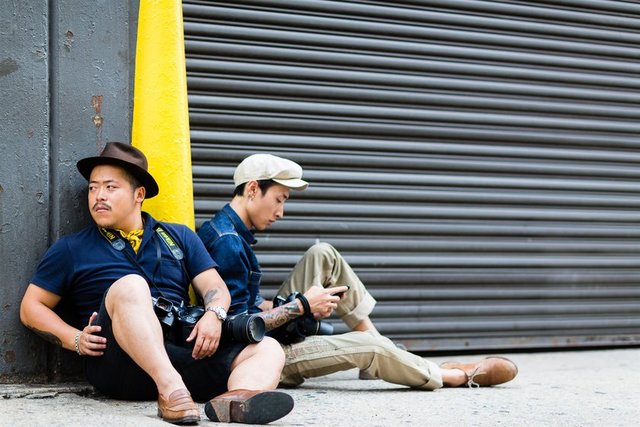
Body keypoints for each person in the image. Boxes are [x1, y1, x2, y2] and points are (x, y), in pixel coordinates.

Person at [20, 143, 294, 425]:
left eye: (110, 187)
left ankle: (234, 402)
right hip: (119, 364)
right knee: (131, 285)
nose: (98, 196)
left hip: (180, 351)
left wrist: (214, 315)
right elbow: (31, 307)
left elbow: (215, 287)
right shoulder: (70, 248)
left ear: (139, 194)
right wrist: (75, 339)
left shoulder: (180, 236)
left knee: (267, 348)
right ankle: (171, 389)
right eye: (93, 188)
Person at [197, 153, 519, 392]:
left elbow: (248, 304)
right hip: (257, 356)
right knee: (369, 348)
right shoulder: (227, 243)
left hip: (264, 335)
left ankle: (381, 344)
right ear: (253, 189)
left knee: (323, 254)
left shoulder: (230, 232)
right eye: (279, 200)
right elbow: (237, 329)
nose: (281, 212)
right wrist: (302, 306)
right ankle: (452, 375)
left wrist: (295, 305)